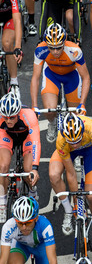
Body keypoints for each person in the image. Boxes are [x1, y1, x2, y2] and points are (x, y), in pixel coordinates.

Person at [49, 112, 92, 254]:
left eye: (77, 140)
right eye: (71, 141)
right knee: (54, 175)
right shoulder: (62, 140)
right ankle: (68, 210)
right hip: (68, 153)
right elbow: (71, 173)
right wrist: (76, 203)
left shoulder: (91, 127)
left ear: (81, 131)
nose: (75, 144)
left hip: (89, 151)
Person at [30, 23, 90, 143]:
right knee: (49, 109)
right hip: (52, 76)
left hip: (71, 76)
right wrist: (34, 106)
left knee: (76, 117)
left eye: (59, 47)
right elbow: (35, 78)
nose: (55, 51)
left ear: (64, 42)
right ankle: (52, 123)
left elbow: (86, 77)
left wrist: (82, 104)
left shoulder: (74, 50)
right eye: (51, 48)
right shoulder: (40, 50)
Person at [0, 196, 57, 264]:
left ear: (36, 218)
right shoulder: (8, 227)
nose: (24, 227)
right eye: (20, 223)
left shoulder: (45, 226)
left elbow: (52, 260)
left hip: (41, 247)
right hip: (21, 246)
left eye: (28, 222)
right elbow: (3, 261)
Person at [0, 93, 40, 223]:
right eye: (5, 117)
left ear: (18, 113)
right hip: (7, 136)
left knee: (27, 171)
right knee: (3, 166)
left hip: (26, 138)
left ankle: (33, 191)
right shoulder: (3, 119)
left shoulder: (29, 116)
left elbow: (35, 142)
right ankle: (3, 200)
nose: (8, 120)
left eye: (12, 117)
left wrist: (34, 168)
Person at [0, 0, 23, 97]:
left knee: (7, 44)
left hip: (9, 18)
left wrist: (18, 46)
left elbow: (17, 20)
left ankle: (14, 82)